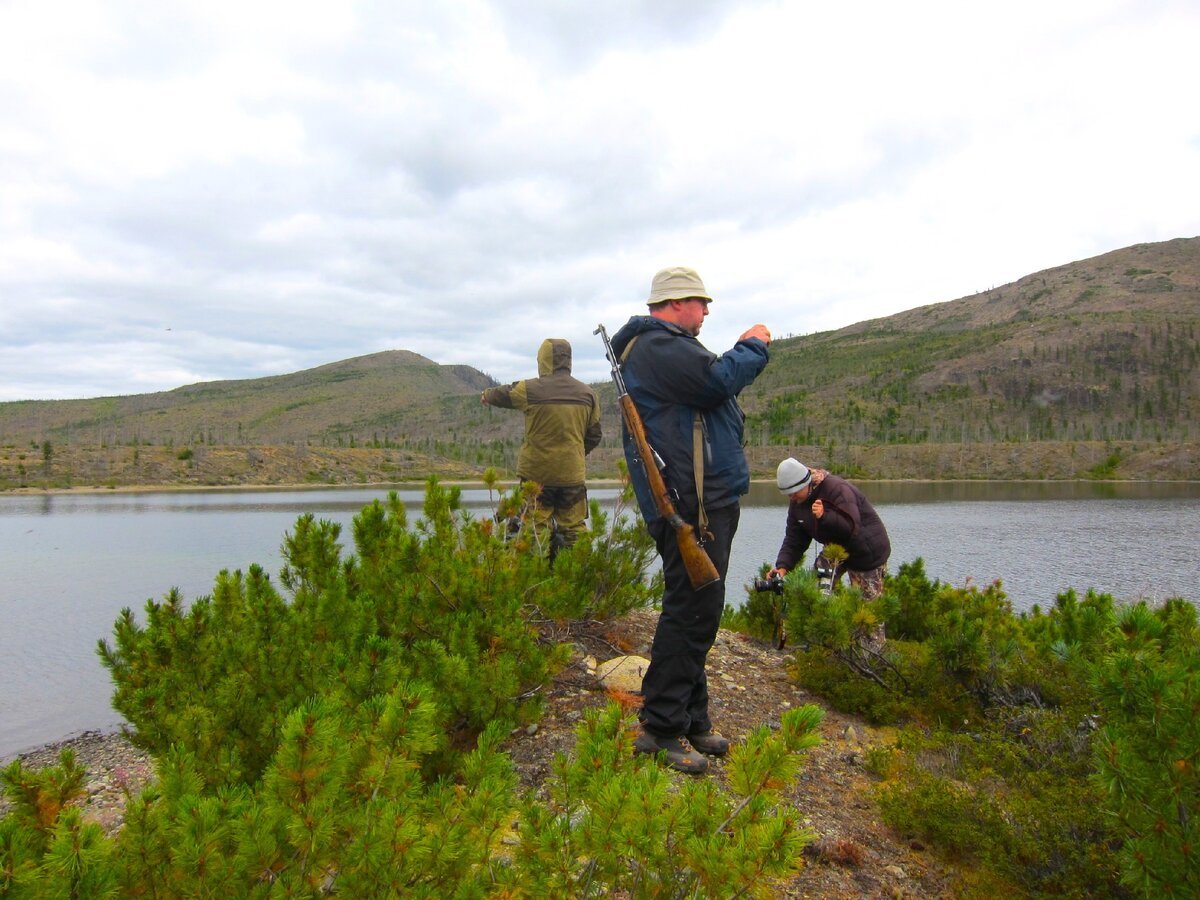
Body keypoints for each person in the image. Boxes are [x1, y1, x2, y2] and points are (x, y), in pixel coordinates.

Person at [610, 266, 771, 774]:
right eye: (701, 304)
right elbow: (718, 380)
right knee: (691, 612)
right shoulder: (660, 347)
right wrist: (754, 345)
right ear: (677, 303)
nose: (705, 313)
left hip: (699, 501)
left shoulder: (662, 345)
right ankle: (659, 729)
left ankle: (692, 718)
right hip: (691, 506)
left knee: (699, 608)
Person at [481, 338, 602, 551]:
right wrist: (574, 454)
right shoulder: (588, 394)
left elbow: (503, 393)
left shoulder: (530, 389)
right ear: (568, 361)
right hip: (572, 476)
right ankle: (582, 576)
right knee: (575, 530)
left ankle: (537, 578)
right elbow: (594, 435)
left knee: (535, 529)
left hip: (537, 477)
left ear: (542, 360)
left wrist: (486, 396)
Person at [768, 458, 891, 600]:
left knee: (867, 611)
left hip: (867, 553)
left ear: (805, 483)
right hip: (834, 548)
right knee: (814, 594)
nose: (792, 497)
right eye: (788, 494)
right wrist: (782, 567)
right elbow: (794, 540)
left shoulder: (836, 489)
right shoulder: (797, 502)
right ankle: (823, 618)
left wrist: (824, 517)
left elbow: (850, 528)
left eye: (794, 492)